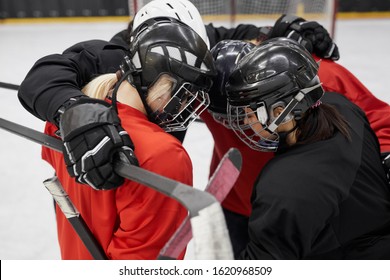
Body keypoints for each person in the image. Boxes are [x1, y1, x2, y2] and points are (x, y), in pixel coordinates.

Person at [41, 17, 216, 259]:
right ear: (163, 82)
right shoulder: (165, 155)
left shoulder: (64, 123)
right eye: (184, 95)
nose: (183, 107)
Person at [204, 33, 390, 257]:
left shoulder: (283, 186)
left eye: (246, 112)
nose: (240, 123)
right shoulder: (341, 108)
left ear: (280, 111)